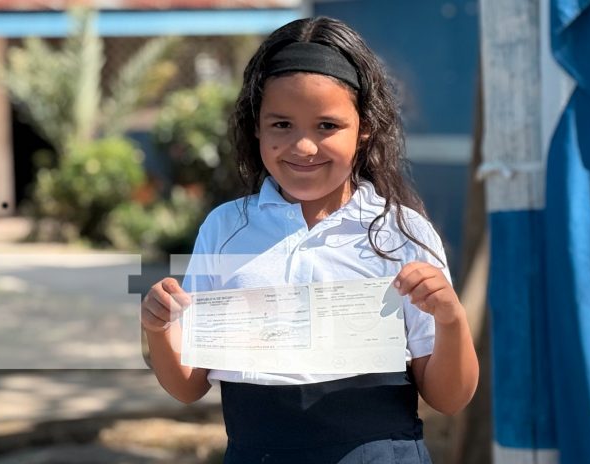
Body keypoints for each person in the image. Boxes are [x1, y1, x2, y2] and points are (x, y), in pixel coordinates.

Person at [141, 16, 479, 464]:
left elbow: (449, 398)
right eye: (282, 124)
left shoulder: (402, 233)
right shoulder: (225, 230)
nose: (303, 147)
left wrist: (450, 319)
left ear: (365, 129)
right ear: (256, 127)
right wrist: (158, 328)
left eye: (326, 126)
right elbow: (188, 385)